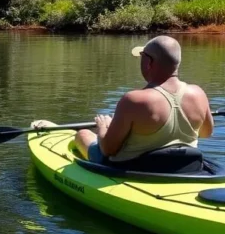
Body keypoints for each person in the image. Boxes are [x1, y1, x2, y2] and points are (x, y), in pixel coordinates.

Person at [32, 35, 214, 164]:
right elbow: (205, 133)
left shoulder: (134, 100)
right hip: (185, 166)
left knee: (83, 134)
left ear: (149, 62)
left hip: (137, 169)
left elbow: (108, 149)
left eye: (142, 58)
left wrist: (104, 126)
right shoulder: (198, 94)